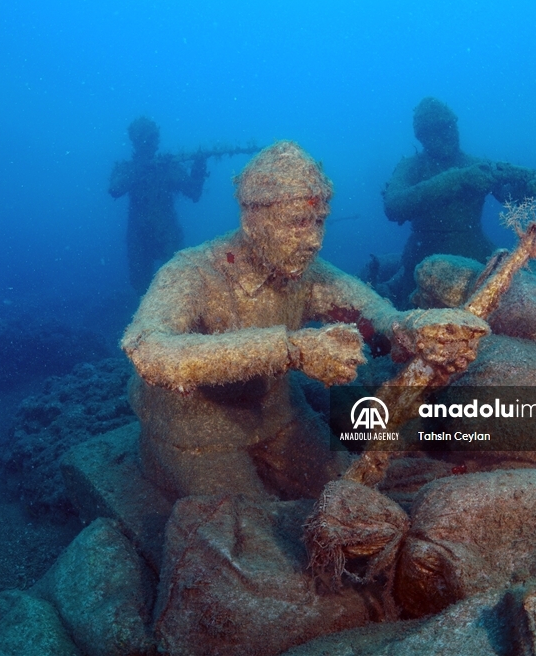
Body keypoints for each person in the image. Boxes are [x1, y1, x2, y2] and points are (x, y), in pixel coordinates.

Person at [121, 141, 488, 502]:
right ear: (253, 220)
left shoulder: (308, 275)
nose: (314, 241)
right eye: (298, 222)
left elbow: (376, 315)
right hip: (195, 428)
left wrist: (412, 329)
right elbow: (148, 348)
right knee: (247, 522)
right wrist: (293, 350)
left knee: (347, 487)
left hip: (278, 415)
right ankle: (157, 458)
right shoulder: (191, 273)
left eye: (319, 221)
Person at [381, 97, 536, 304]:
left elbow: (506, 195)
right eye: (438, 128)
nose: (448, 133)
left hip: (476, 255)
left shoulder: (476, 165)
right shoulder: (412, 167)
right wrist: (458, 179)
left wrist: (528, 190)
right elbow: (394, 206)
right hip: (422, 258)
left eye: (451, 125)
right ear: (422, 136)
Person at [109, 117, 209, 293]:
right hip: (139, 236)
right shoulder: (127, 168)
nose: (151, 142)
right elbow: (115, 189)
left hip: (167, 233)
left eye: (153, 137)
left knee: (180, 282)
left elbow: (193, 192)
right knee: (140, 285)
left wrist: (199, 166)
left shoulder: (166, 166)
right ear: (135, 140)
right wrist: (141, 167)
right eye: (146, 138)